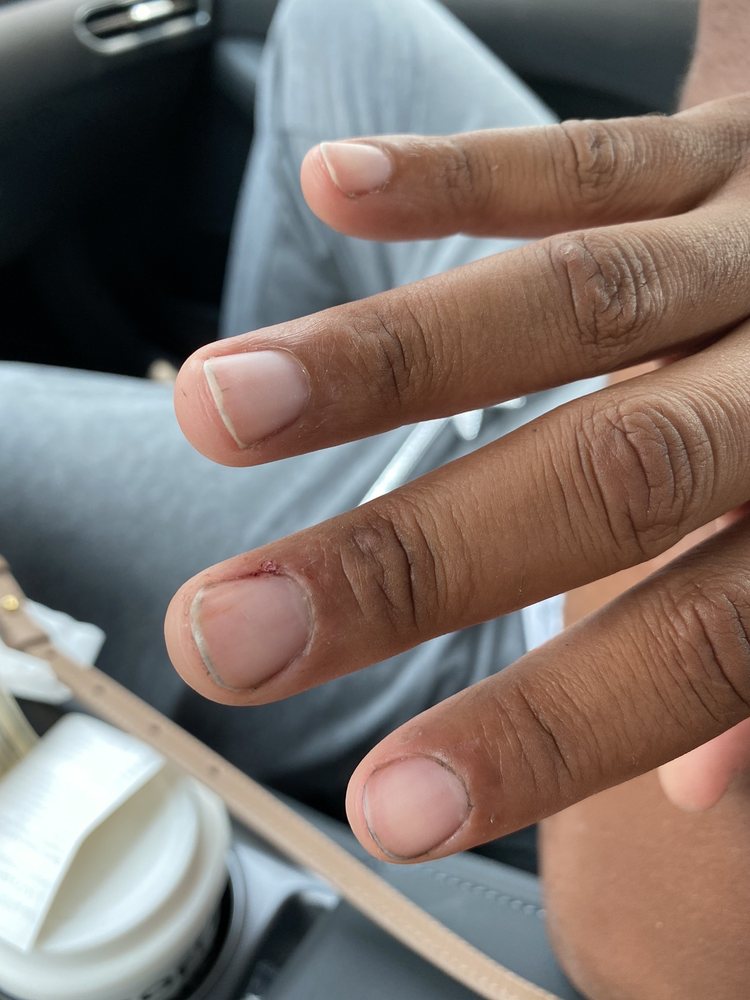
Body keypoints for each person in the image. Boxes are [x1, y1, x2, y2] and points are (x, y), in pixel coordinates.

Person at [3, 0, 749, 995]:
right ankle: (295, 453)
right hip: (670, 310)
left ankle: (297, 518)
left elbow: (643, 946)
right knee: (338, 25)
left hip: (569, 618)